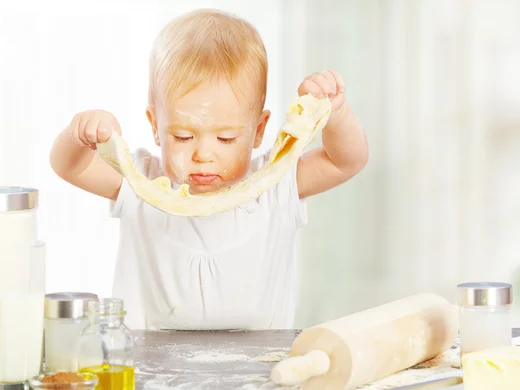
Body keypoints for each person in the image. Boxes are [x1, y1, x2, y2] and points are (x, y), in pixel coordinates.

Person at [50, 9, 368, 330]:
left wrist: (334, 115)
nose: (203, 154)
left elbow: (344, 161)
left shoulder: (276, 185)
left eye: (226, 138)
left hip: (260, 369)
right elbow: (70, 167)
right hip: (147, 368)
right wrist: (81, 134)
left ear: (258, 131)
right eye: (183, 136)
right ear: (155, 126)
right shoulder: (141, 182)